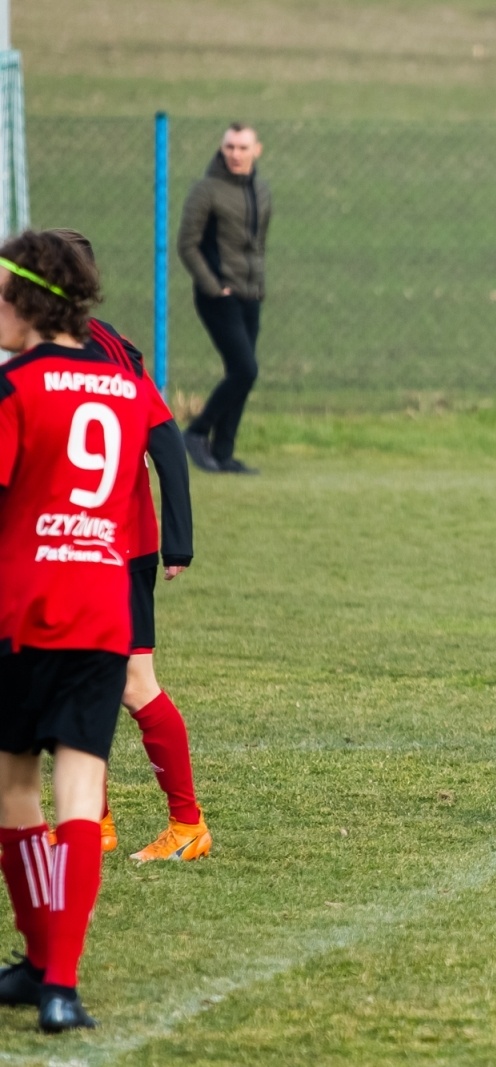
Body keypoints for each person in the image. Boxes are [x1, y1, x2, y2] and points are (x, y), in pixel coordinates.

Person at [0, 230, 176, 1030]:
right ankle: (59, 987)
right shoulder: (126, 388)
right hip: (104, 610)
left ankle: (41, 958)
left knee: (16, 789)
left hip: (25, 611)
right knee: (79, 793)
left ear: (29, 302)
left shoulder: (15, 388)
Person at [50, 230, 211, 862]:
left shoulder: (72, 357)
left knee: (132, 681)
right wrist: (177, 541)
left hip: (103, 544)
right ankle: (94, 821)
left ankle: (187, 825)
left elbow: (164, 442)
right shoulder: (112, 345)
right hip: (95, 541)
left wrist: (178, 542)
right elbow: (164, 439)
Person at [178, 122, 271, 476]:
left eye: (243, 147)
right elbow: (187, 244)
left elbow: (257, 245)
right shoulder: (206, 190)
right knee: (246, 369)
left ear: (256, 151)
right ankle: (197, 432)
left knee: (241, 374)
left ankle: (223, 453)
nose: (235, 154)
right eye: (230, 147)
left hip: (251, 294)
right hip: (218, 296)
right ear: (222, 149)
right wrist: (214, 286)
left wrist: (257, 285)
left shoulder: (261, 190)